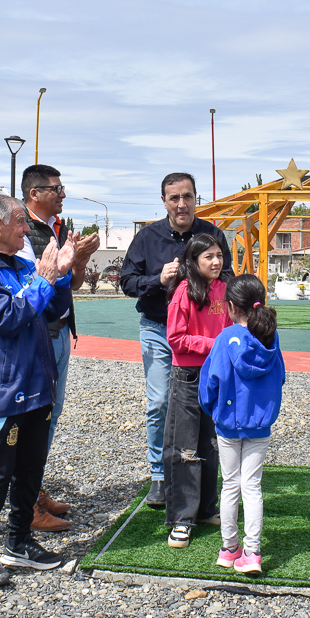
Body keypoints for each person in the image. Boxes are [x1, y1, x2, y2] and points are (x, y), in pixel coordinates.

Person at [0, 195, 75, 588]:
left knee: (30, 467)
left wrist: (63, 273)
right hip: (3, 388)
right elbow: (7, 317)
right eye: (21, 222)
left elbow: (52, 310)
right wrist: (43, 281)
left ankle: (19, 541)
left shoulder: (23, 264)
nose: (27, 230)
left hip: (37, 382)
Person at [119, 172, 232, 506]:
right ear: (164, 201)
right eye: (174, 198)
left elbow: (227, 278)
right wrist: (158, 278)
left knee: (205, 405)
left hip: (202, 336)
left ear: (196, 198)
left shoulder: (212, 234)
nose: (181, 204)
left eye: (188, 196)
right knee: (160, 403)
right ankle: (159, 474)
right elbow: (126, 281)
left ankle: (200, 473)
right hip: (157, 328)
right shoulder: (147, 237)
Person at [17, 164, 99, 531]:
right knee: (35, 417)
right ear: (35, 194)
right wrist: (65, 265)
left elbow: (74, 283)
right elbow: (35, 280)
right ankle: (25, 503)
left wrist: (78, 261)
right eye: (57, 188)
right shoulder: (19, 229)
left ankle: (33, 489)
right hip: (38, 333)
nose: (63, 194)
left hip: (61, 331)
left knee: (50, 413)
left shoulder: (60, 228)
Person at [200, 274, 284, 575]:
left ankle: (228, 548)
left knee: (230, 485)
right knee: (252, 486)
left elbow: (209, 382)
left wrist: (214, 410)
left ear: (231, 306)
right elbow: (280, 378)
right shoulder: (271, 340)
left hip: (227, 424)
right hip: (259, 425)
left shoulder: (225, 340)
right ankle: (252, 552)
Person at [164, 233, 231, 548]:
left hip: (215, 376)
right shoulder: (183, 293)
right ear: (193, 261)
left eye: (219, 255)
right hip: (188, 377)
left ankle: (206, 508)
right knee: (186, 448)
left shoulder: (224, 291)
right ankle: (182, 519)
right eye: (209, 257)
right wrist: (214, 345)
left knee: (211, 446)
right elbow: (175, 339)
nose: (216, 262)